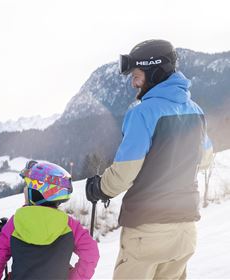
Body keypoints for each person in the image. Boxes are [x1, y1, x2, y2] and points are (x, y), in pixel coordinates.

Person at [86, 39, 213, 279]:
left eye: (137, 75)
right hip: (185, 232)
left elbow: (125, 171)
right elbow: (205, 160)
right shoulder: (196, 111)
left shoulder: (142, 112)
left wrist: (99, 188)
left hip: (148, 231)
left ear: (155, 72)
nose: (133, 82)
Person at [0, 160, 100, 280]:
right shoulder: (69, 225)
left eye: (28, 186)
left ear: (37, 192)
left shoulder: (15, 222)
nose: (25, 190)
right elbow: (91, 253)